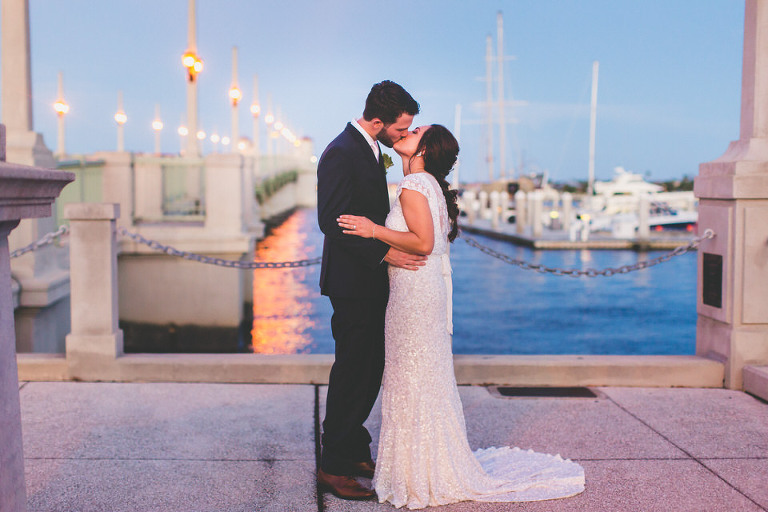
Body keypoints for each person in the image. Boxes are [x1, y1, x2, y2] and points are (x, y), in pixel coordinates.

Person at [337, 124, 585, 508]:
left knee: (411, 376)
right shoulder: (427, 184)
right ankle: (421, 466)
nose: (407, 130)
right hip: (421, 290)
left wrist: (372, 231)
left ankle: (418, 472)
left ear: (426, 148)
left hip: (415, 292)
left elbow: (424, 242)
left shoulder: (414, 186)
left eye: (416, 130)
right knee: (419, 376)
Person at [316, 80, 423, 500]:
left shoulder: (369, 148)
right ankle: (335, 465)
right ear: (377, 122)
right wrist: (384, 254)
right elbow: (332, 220)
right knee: (353, 371)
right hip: (352, 281)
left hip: (365, 280)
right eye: (400, 130)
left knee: (368, 367)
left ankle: (354, 449)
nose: (402, 136)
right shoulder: (342, 152)